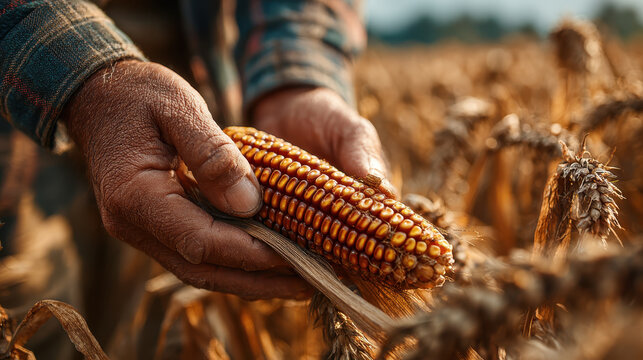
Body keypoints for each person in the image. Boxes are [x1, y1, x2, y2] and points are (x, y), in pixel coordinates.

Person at [0, 0, 393, 303]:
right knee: (32, 309)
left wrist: (294, 76)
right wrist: (83, 73)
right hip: (18, 108)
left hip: (192, 97)